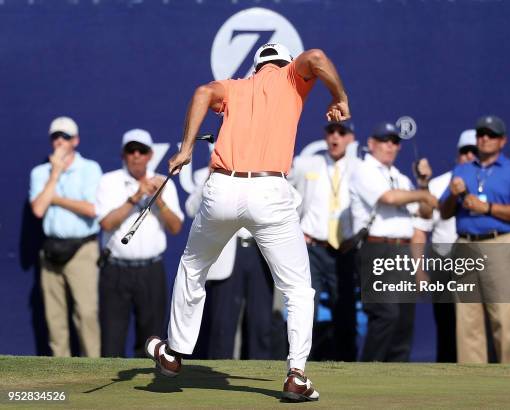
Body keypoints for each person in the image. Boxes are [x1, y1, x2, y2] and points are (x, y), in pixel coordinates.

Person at [145, 43, 350, 402]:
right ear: (286, 63)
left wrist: (187, 148)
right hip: (270, 190)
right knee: (298, 288)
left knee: (193, 267)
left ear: (256, 67)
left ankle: (174, 355)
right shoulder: (292, 77)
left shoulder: (238, 86)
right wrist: (341, 97)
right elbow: (316, 58)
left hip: (222, 187)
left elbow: (202, 92)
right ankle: (297, 375)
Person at [439, 115, 510, 364]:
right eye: (481, 134)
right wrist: (452, 196)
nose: (485, 139)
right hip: (466, 244)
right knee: (468, 319)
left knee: (504, 314)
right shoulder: (462, 170)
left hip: (499, 242)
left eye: (491, 135)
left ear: (502, 141)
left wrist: (486, 208)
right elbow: (444, 211)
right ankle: (474, 385)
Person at [349, 122, 437, 362]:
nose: (390, 145)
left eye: (395, 141)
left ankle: (398, 377)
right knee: (385, 313)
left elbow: (425, 214)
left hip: (403, 250)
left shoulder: (400, 178)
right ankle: (367, 371)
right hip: (377, 249)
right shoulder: (363, 170)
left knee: (404, 320)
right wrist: (423, 194)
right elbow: (388, 198)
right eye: (384, 140)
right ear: (371, 144)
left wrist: (423, 183)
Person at [96, 129, 184, 357]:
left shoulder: (165, 184)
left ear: (150, 155)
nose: (136, 155)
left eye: (141, 150)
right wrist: (135, 197)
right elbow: (106, 223)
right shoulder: (109, 181)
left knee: (152, 341)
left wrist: (159, 200)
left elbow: (176, 228)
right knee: (112, 339)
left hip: (150, 272)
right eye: (131, 150)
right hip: (116, 270)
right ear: (123, 154)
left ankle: (147, 389)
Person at [29, 116, 102, 357]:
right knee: (55, 318)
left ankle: (93, 373)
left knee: (87, 314)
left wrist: (56, 199)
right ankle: (62, 377)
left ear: (76, 141)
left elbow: (92, 209)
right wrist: (55, 174)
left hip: (82, 250)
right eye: (56, 136)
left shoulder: (90, 169)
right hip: (51, 250)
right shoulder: (41, 172)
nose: (60, 141)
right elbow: (39, 209)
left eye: (66, 137)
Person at [184, 170, 275, 360]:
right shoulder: (208, 174)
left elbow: (290, 203)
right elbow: (192, 208)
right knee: (222, 324)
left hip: (260, 252)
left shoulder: (266, 170)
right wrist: (210, 178)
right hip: (227, 253)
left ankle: (257, 375)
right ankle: (216, 374)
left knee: (261, 322)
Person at [289, 120, 360, 361]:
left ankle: (348, 365)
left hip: (346, 248)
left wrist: (358, 237)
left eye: (342, 132)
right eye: (331, 131)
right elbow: (284, 190)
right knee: (304, 305)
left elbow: (371, 207)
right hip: (313, 248)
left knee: (345, 309)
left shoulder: (360, 169)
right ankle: (298, 362)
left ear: (350, 138)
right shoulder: (307, 164)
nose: (335, 137)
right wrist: (297, 230)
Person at [414, 129, 478, 363]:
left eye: (475, 152)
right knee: (448, 330)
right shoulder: (438, 185)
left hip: (480, 264)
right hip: (445, 267)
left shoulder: (493, 183)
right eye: (465, 151)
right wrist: (419, 270)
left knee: (484, 328)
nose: (470, 156)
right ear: (457, 155)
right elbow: (420, 231)